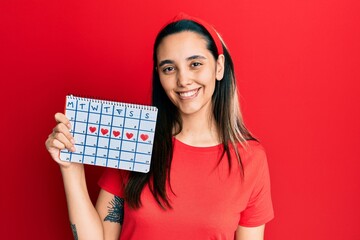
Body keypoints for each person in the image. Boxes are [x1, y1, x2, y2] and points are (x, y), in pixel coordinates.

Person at [45, 12, 274, 240]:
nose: (183, 80)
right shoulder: (133, 137)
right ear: (159, 75)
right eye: (169, 68)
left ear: (219, 66)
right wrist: (70, 168)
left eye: (195, 64)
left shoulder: (250, 159)